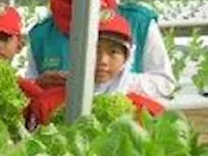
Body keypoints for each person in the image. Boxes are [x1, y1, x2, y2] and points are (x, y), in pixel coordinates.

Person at [26, 0, 175, 100]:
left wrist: (117, 81)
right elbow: (30, 87)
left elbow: (164, 84)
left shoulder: (138, 22)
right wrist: (39, 85)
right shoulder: (42, 35)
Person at [28, 10, 165, 126]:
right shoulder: (47, 105)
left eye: (113, 52)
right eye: (94, 50)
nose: (103, 60)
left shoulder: (146, 112)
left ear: (126, 58)